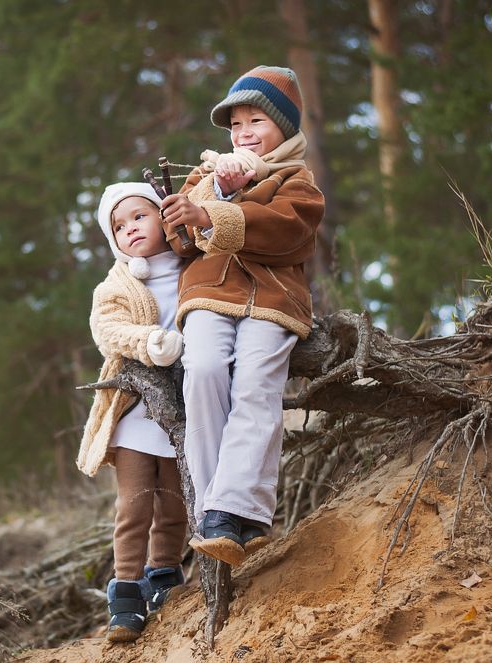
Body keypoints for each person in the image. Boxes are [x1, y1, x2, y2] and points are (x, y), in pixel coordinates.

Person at [160, 65, 325, 567]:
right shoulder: (206, 176)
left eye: (257, 120)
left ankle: (232, 510)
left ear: (285, 126)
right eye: (236, 124)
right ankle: (222, 512)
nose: (244, 132)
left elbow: (290, 232)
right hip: (209, 294)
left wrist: (217, 214)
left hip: (273, 301)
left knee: (256, 383)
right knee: (204, 371)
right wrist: (207, 201)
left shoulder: (297, 180)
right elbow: (181, 243)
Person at [77, 182, 190, 643]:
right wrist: (149, 341)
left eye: (139, 217)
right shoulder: (118, 284)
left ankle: (164, 576)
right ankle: (125, 594)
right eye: (119, 227)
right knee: (135, 501)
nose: (131, 229)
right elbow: (107, 330)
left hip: (182, 406)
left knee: (176, 499)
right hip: (135, 409)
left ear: (163, 216)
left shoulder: (192, 267)